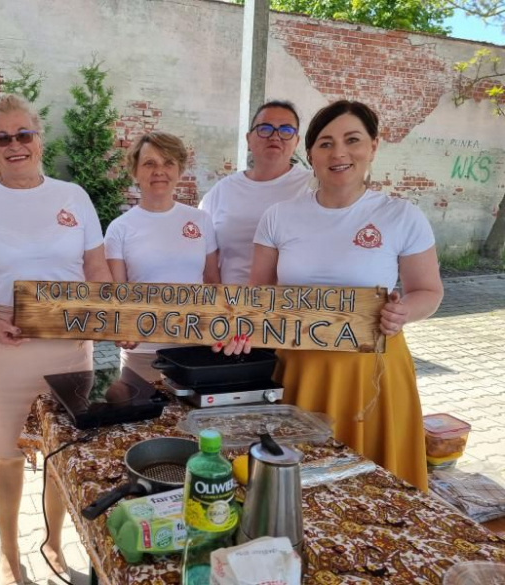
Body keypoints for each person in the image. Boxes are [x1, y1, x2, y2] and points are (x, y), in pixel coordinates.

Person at [0, 94, 112, 585]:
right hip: (3, 346)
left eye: (24, 134)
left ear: (39, 138)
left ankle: (55, 543)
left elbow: (95, 268)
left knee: (62, 450)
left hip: (68, 343)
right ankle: (7, 554)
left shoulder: (73, 196)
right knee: (6, 454)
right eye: (3, 138)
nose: (15, 144)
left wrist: (100, 312)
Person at [249, 100, 444, 491]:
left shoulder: (401, 215)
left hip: (371, 375)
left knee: (377, 488)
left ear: (373, 146)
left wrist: (403, 311)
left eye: (352, 140)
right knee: (294, 487)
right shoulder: (279, 216)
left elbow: (429, 291)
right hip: (297, 371)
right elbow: (258, 295)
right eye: (325, 143)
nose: (339, 153)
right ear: (310, 155)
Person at [104, 131, 220, 382]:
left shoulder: (200, 220)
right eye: (149, 163)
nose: (159, 171)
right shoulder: (119, 228)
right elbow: (117, 294)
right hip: (143, 351)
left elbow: (212, 282)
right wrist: (121, 329)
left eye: (168, 163)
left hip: (195, 349)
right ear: (135, 171)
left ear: (179, 170)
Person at [200, 100, 311, 284]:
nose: (275, 136)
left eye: (286, 130)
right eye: (265, 128)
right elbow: (204, 256)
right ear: (249, 139)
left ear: (296, 141)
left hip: (290, 307)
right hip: (231, 306)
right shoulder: (222, 191)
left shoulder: (313, 186)